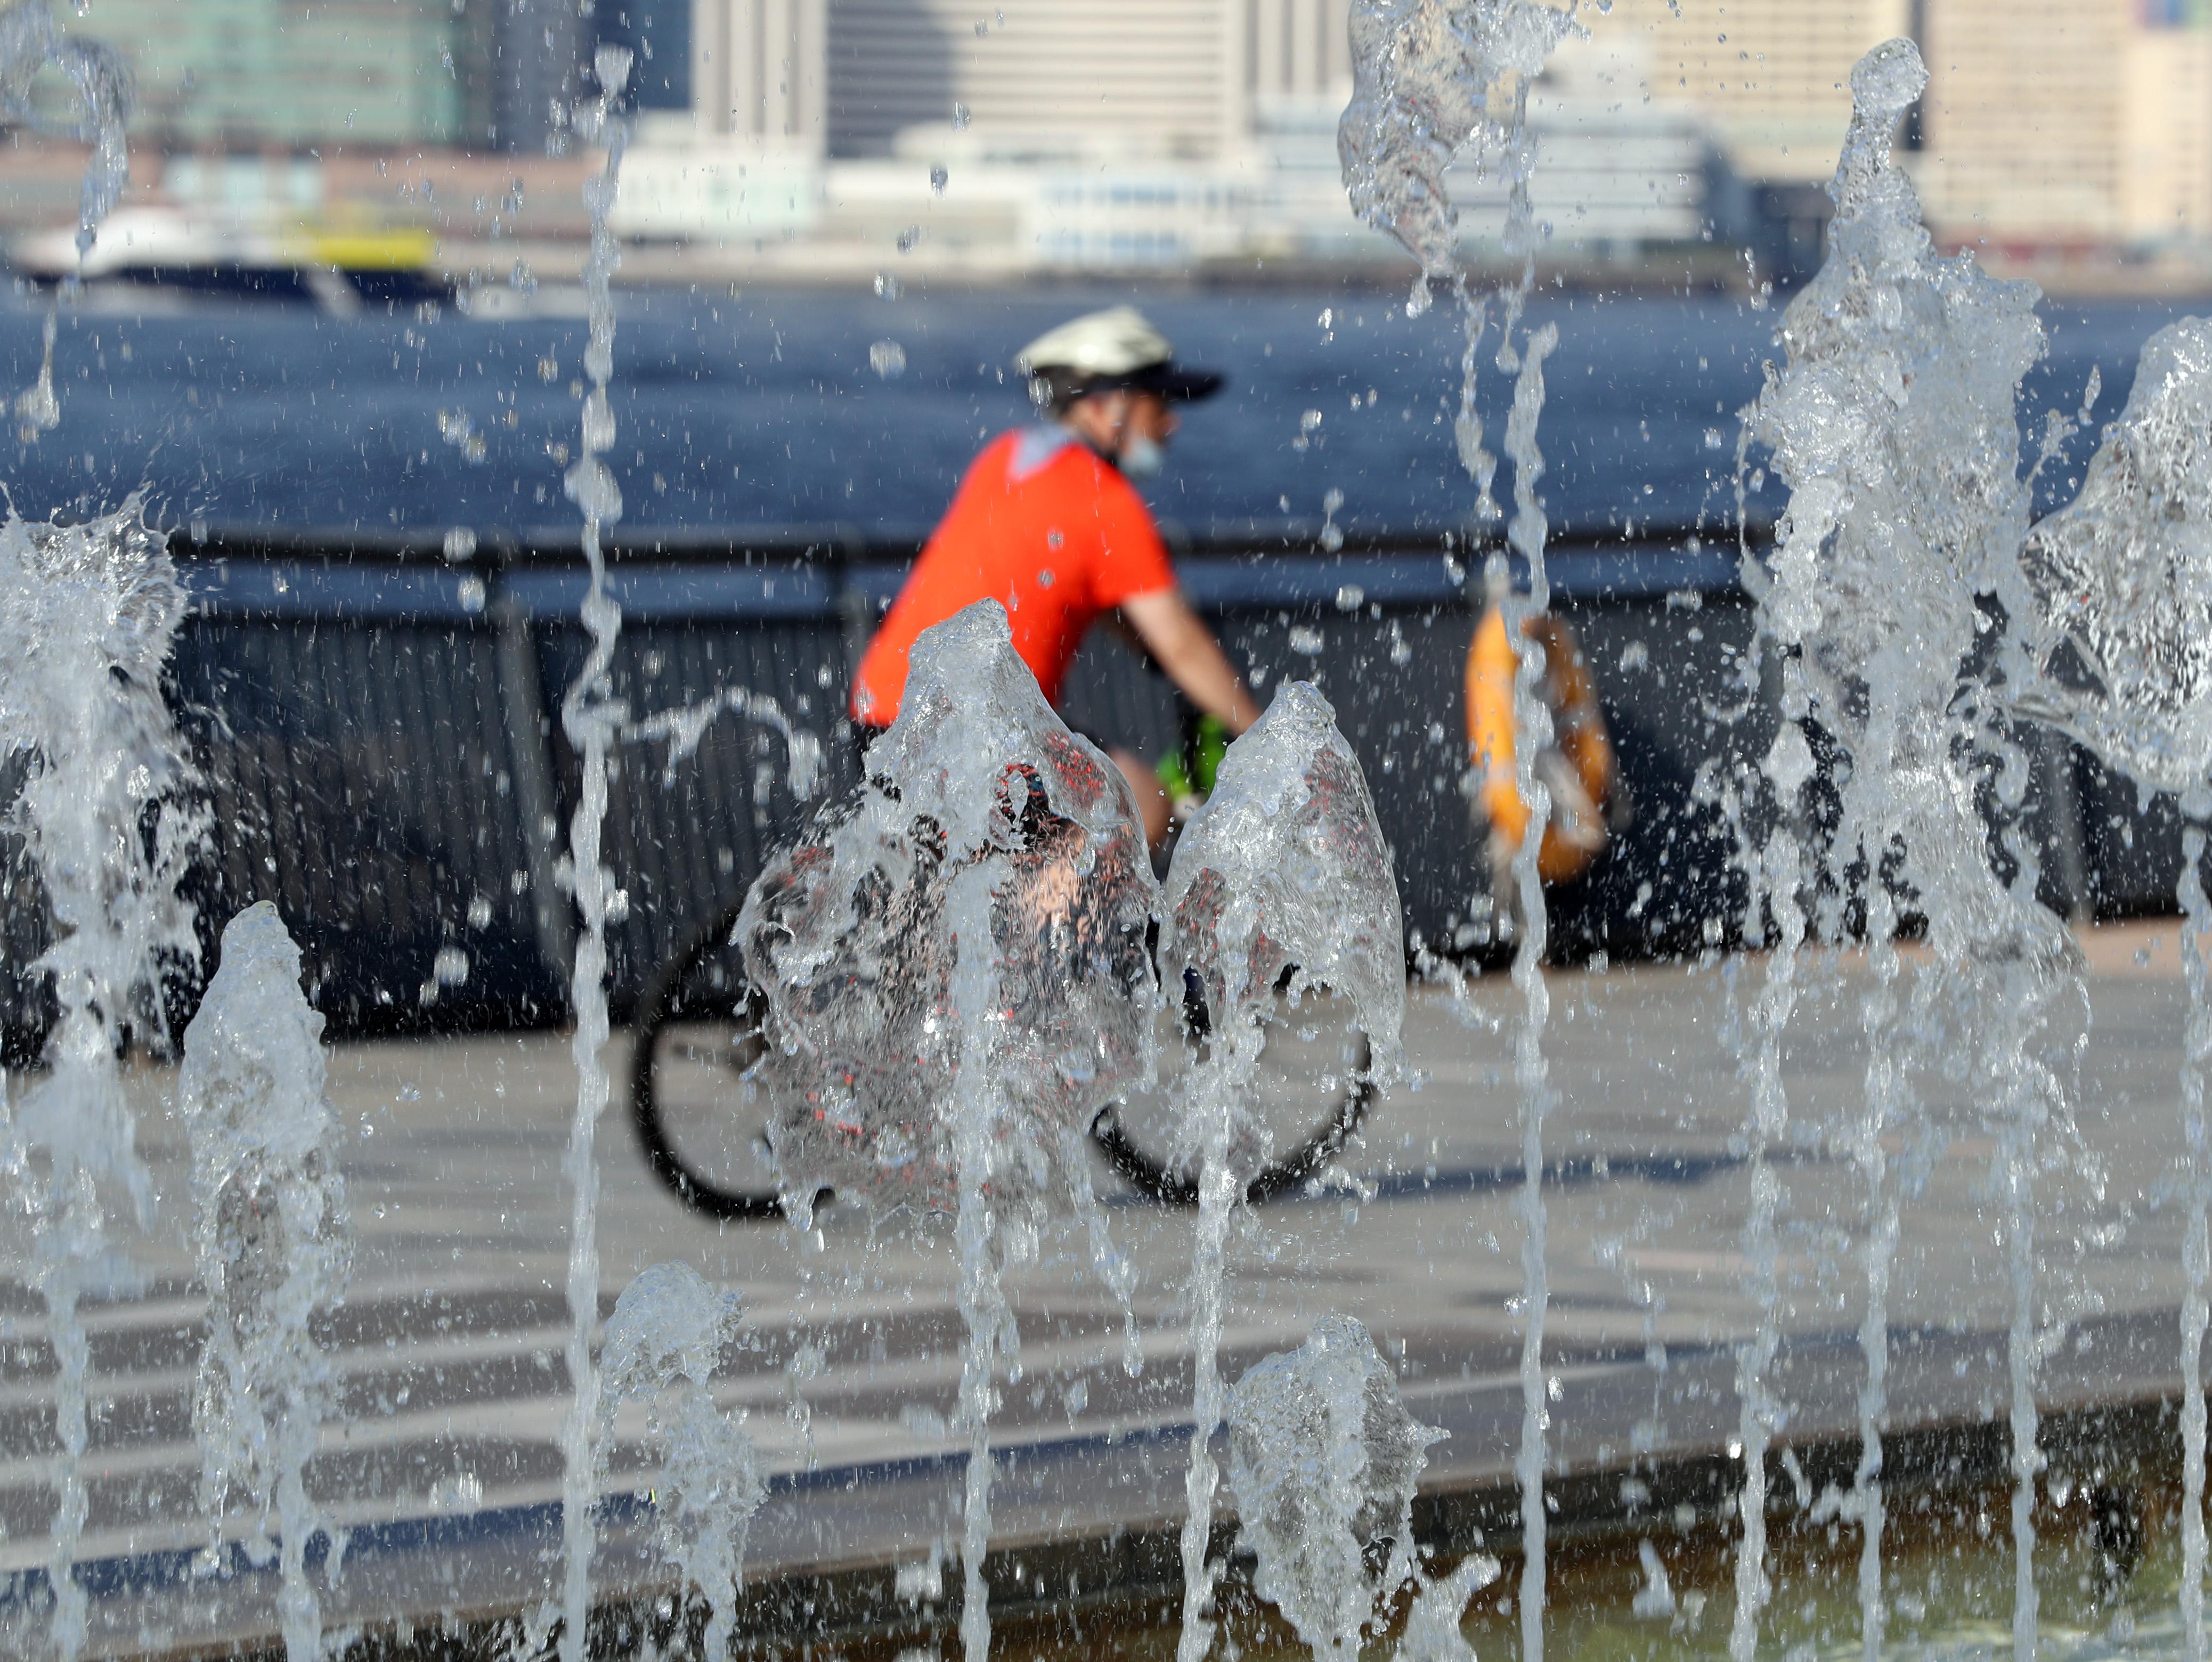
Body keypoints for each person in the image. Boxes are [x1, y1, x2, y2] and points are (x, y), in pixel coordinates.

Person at [849, 305, 1262, 850]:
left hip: (880, 720)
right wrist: (1264, 745)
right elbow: (1180, 645)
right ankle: (1054, 934)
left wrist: (1155, 654)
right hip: (976, 742)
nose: (1172, 421)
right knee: (1142, 805)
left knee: (948, 888)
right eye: (1158, 402)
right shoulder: (1105, 502)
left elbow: (1106, 605)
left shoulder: (1005, 459)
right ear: (1105, 406)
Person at [1465, 557, 1619, 921]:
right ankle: (1523, 927)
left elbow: (1580, 721)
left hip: (1554, 793)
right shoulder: (1499, 659)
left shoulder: (1549, 650)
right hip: (1520, 793)